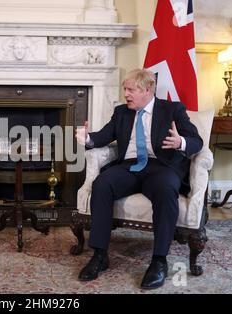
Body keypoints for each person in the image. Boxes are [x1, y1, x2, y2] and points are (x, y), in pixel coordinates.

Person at [75, 69, 203, 290]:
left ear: (146, 90)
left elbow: (196, 140)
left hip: (161, 166)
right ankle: (100, 254)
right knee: (102, 184)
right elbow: (104, 136)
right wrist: (87, 138)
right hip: (130, 166)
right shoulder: (122, 112)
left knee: (165, 189)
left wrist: (180, 142)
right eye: (125, 89)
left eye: (131, 90)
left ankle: (159, 261)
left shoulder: (172, 110)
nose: (126, 94)